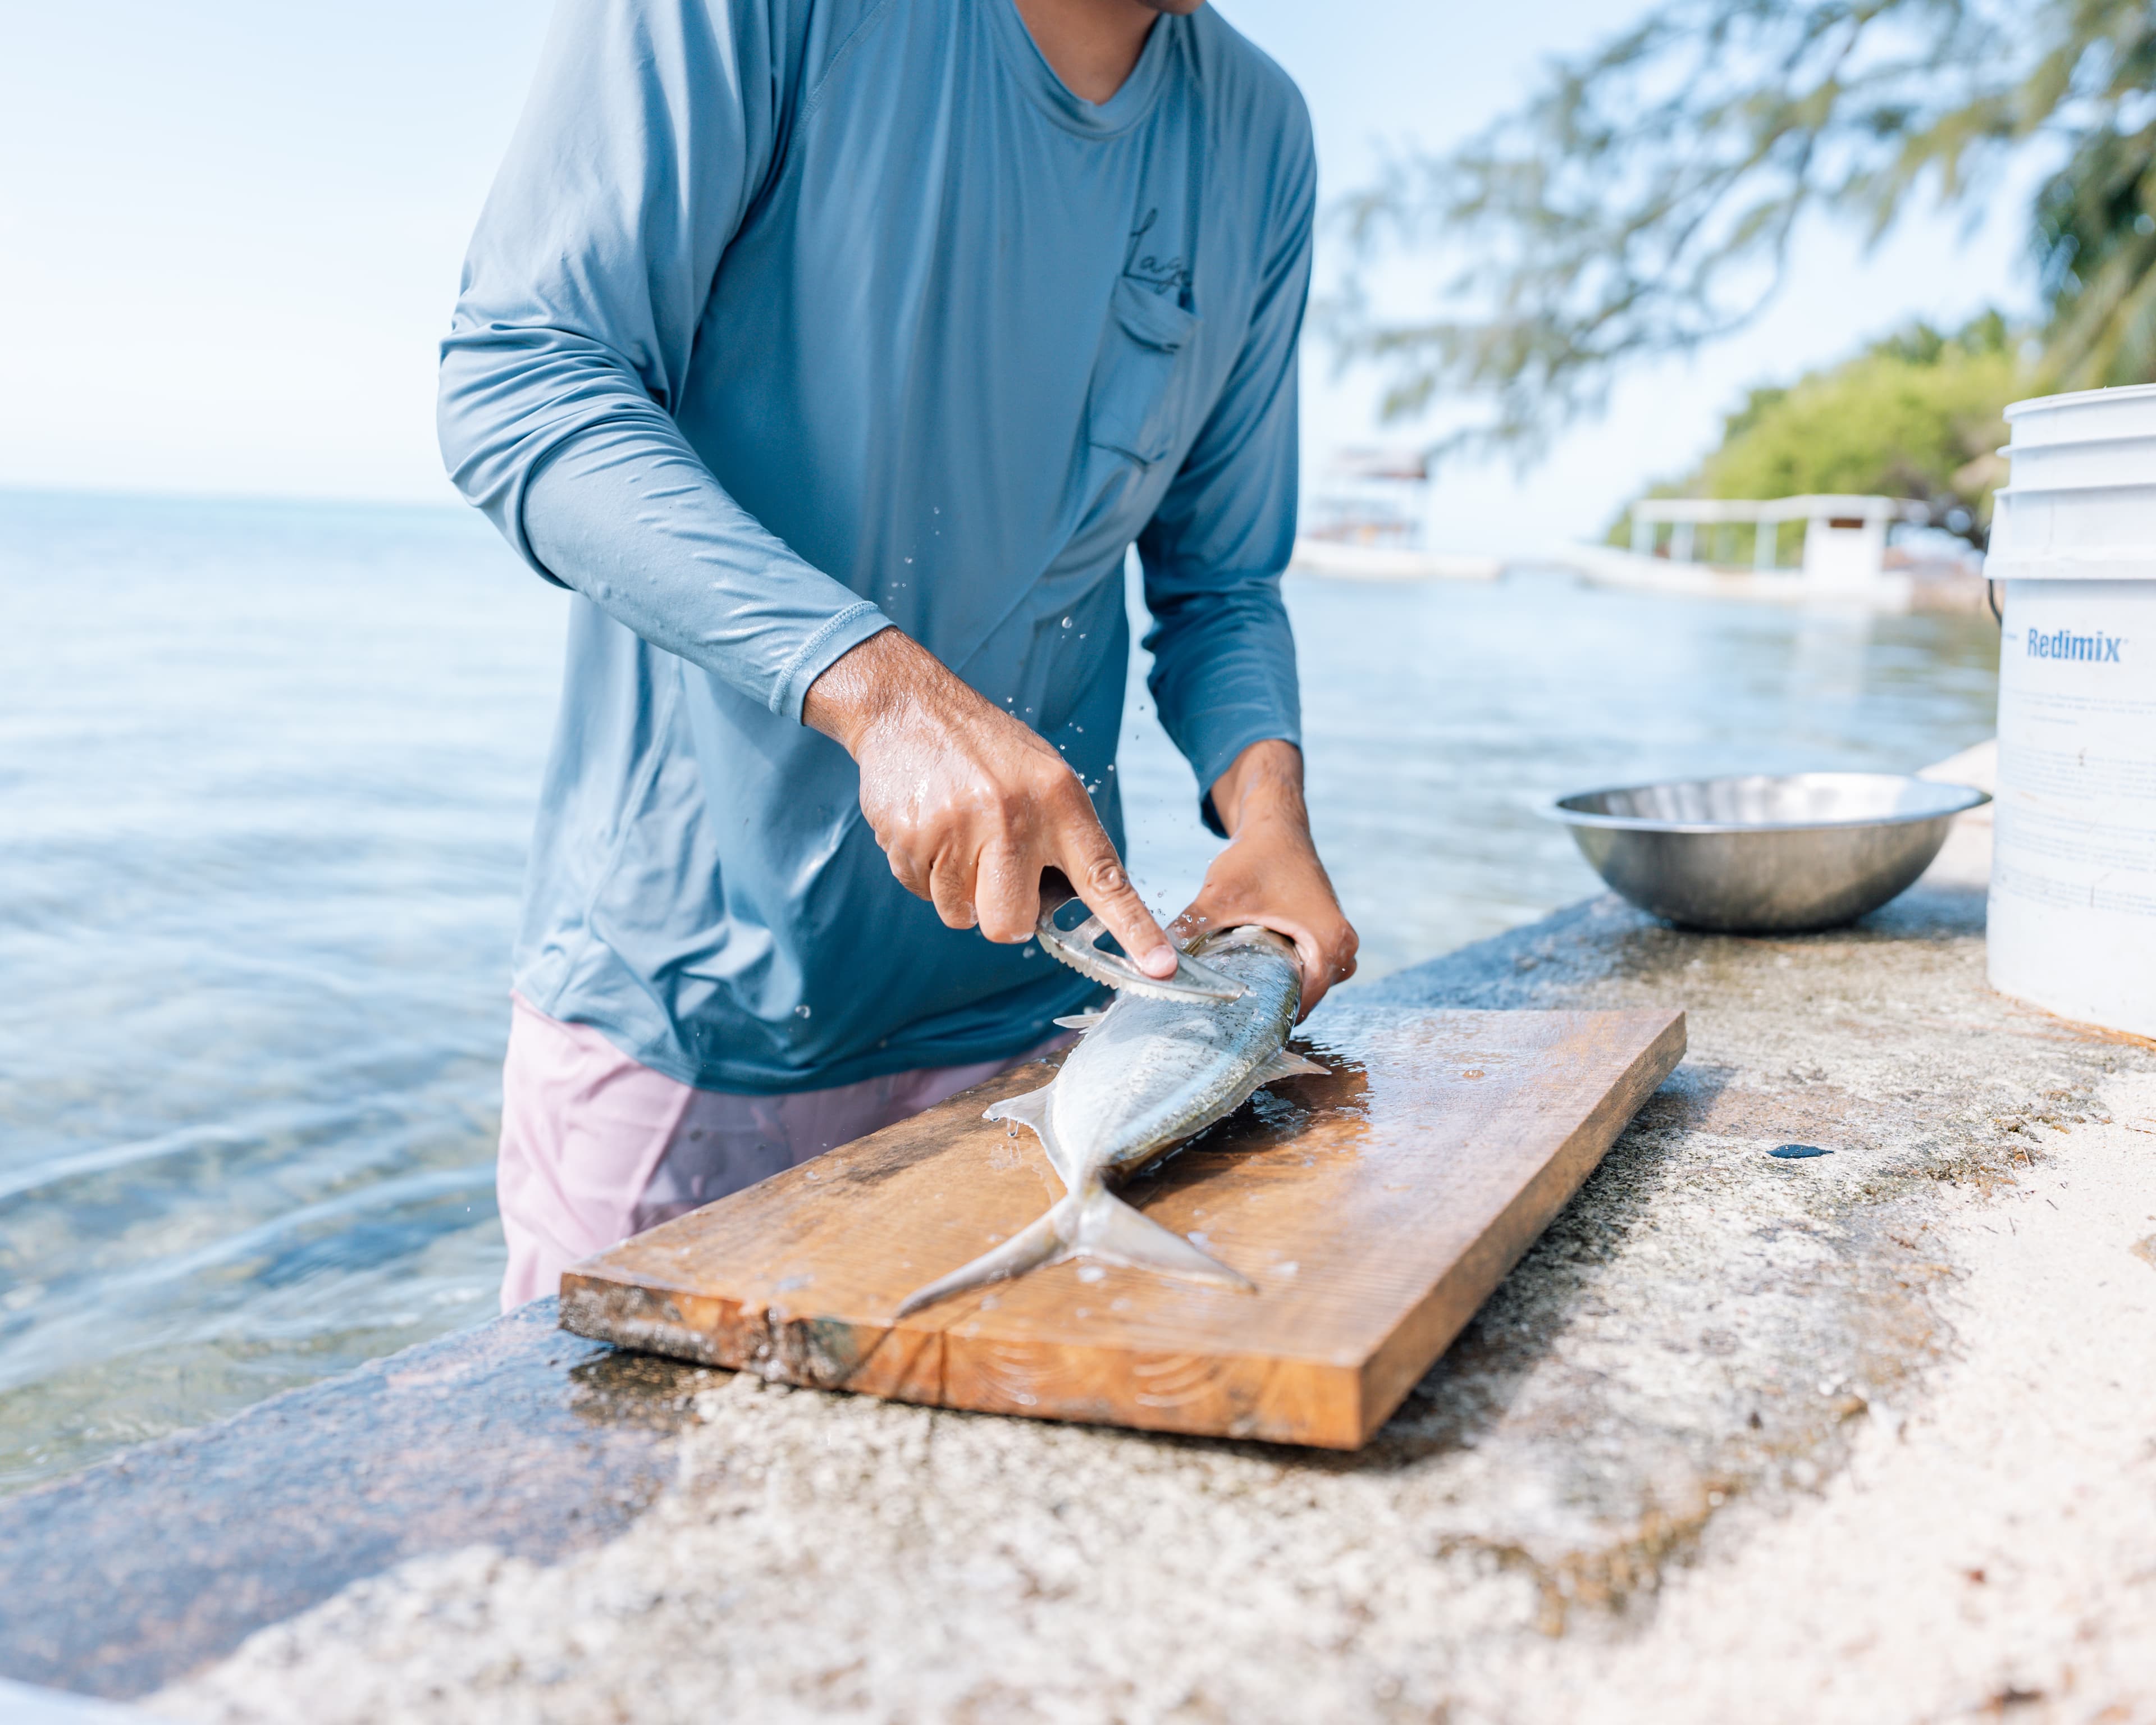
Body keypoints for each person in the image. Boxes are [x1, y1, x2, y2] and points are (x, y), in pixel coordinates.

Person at [440, 0, 1360, 1309]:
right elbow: (523, 376)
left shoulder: (1261, 133)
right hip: (682, 1026)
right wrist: (880, 691)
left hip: (1027, 1038)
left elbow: (1219, 576)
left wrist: (1270, 814)